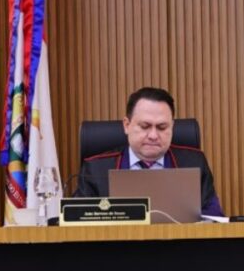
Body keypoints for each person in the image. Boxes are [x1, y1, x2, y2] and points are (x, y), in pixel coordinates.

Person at [74, 86, 224, 216]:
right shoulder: (95, 169)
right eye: (145, 126)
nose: (153, 135)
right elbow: (77, 221)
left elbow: (214, 217)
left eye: (162, 127)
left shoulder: (194, 163)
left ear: (172, 127)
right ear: (126, 125)